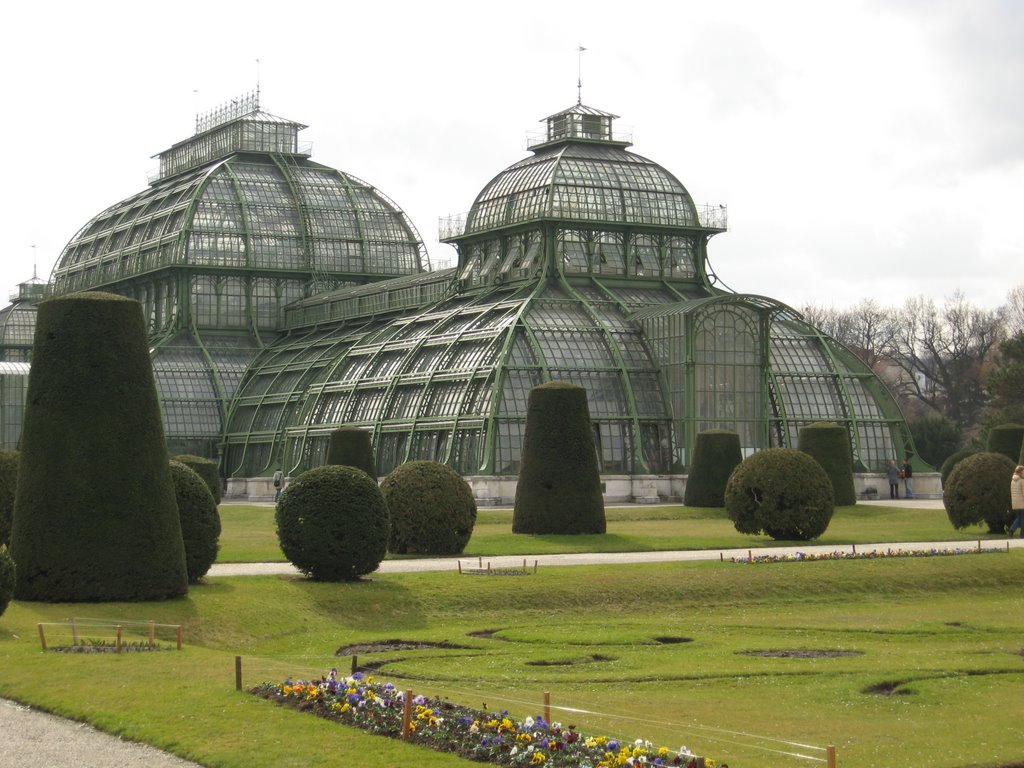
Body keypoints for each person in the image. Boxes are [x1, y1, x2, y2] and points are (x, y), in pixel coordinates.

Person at [1009, 465, 1024, 538]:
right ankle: (1022, 534)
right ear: (1021, 472)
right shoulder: (1021, 481)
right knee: (1022, 518)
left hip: (1015, 502)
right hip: (1022, 502)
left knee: (1019, 518)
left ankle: (1012, 529)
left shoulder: (1012, 480)